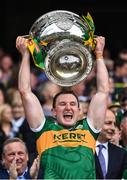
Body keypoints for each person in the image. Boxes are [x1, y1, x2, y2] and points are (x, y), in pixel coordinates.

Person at [16, 35, 109, 179]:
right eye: (62, 104)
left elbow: (103, 91)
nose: (68, 107)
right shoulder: (44, 128)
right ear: (53, 111)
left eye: (73, 104)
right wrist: (25, 55)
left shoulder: (89, 128)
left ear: (79, 111)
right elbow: (25, 92)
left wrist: (99, 55)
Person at [95, 109, 127, 179]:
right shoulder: (82, 149)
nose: (113, 128)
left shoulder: (121, 154)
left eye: (114, 124)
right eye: (108, 123)